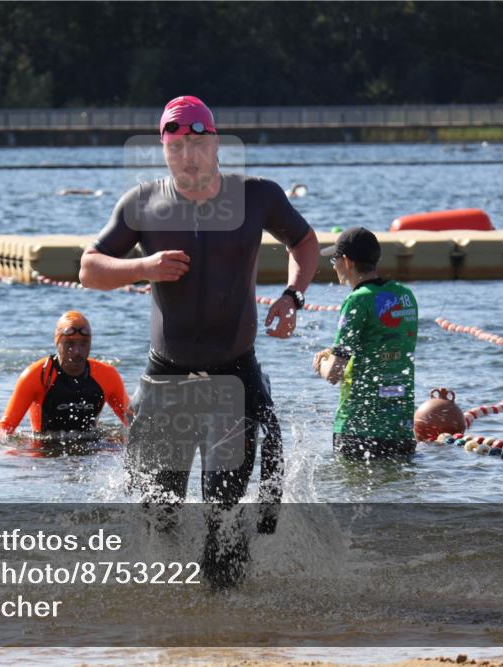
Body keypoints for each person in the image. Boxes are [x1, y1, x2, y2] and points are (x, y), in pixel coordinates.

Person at [79, 95, 319, 515]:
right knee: (158, 513)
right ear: (163, 150)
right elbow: (89, 269)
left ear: (216, 144)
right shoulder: (143, 203)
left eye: (197, 145)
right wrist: (143, 266)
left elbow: (303, 241)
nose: (187, 157)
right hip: (167, 379)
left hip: (234, 374)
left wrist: (292, 295)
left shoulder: (256, 196)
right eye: (175, 148)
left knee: (223, 513)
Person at [313, 227, 418, 461]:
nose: (333, 265)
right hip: (400, 429)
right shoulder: (405, 295)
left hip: (359, 429)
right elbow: (383, 341)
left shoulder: (357, 301)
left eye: (334, 259)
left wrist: (321, 362)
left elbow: (334, 373)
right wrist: (334, 351)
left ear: (347, 262)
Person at [0, 311, 129, 437]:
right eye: (69, 343)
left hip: (92, 450)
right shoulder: (36, 375)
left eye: (84, 343)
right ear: (57, 343)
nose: (77, 351)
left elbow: (136, 424)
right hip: (44, 453)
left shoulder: (107, 376)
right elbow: (6, 426)